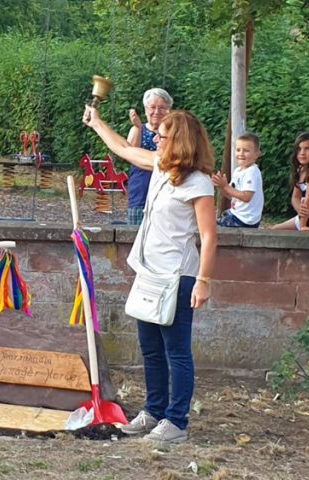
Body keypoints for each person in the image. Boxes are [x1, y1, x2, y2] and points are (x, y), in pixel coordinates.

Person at [82, 104, 217, 443]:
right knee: (150, 349)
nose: (155, 138)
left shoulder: (198, 183)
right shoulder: (161, 166)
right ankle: (154, 411)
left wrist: (202, 281)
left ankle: (176, 422)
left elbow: (209, 236)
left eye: (163, 136)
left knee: (177, 352)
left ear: (180, 141)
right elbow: (125, 149)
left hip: (177, 277)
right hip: (148, 272)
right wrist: (97, 122)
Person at [126, 88, 173, 225]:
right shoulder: (137, 128)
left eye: (162, 108)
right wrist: (137, 127)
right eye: (152, 107)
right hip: (140, 192)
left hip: (166, 194)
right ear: (146, 109)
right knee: (135, 237)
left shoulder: (173, 131)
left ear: (169, 110)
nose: (157, 112)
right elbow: (129, 153)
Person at [212, 132, 263, 228]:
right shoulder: (238, 171)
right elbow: (231, 196)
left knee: (212, 228)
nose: (241, 154)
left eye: (246, 151)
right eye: (238, 150)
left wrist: (225, 186)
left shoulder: (252, 172)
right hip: (236, 214)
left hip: (245, 220)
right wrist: (220, 186)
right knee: (212, 222)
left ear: (256, 154)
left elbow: (246, 197)